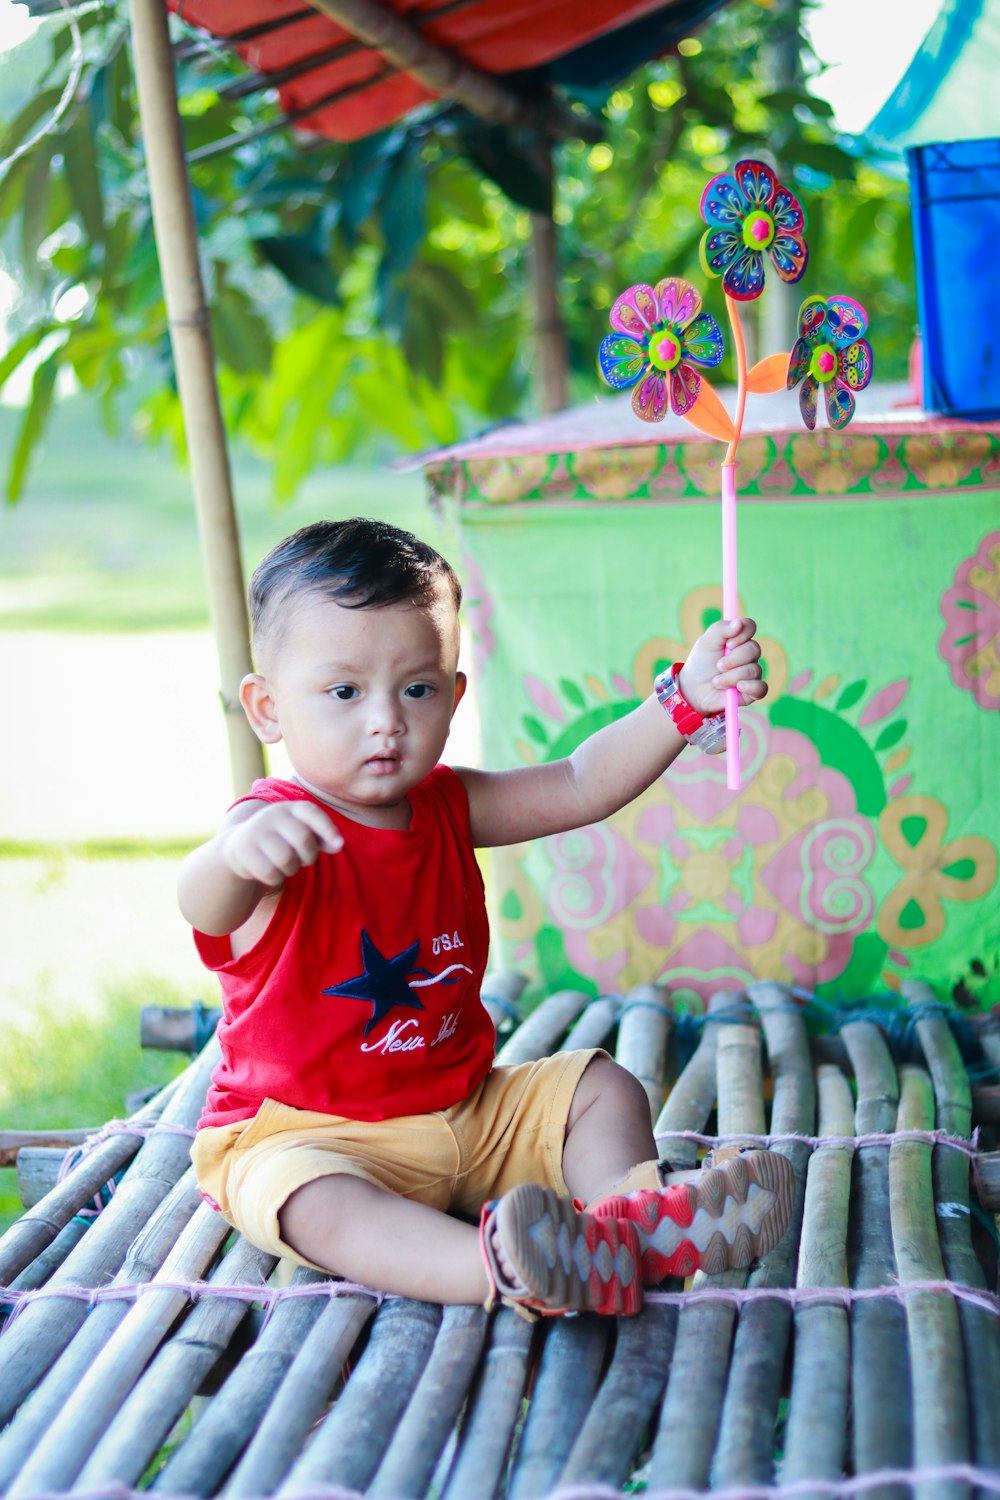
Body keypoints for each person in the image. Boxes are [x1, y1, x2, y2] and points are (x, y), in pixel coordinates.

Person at [179, 517, 792, 1318]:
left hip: (471, 1112)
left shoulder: (449, 805)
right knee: (315, 1204)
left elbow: (580, 783)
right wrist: (236, 858)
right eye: (343, 691)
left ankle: (631, 1220)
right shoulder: (269, 829)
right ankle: (510, 1270)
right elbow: (201, 900)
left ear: (454, 692)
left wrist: (683, 705)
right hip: (309, 1134)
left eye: (417, 688)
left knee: (600, 1087)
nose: (386, 720)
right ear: (266, 707)